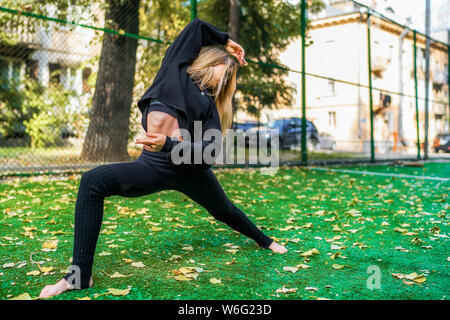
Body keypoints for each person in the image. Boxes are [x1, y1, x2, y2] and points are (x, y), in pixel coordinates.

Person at [39, 17, 287, 299]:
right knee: (91, 182)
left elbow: (208, 154)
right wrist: (226, 40)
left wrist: (168, 144)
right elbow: (195, 28)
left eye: (231, 76)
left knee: (224, 210)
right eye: (225, 69)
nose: (226, 77)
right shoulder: (175, 69)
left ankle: (265, 241)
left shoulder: (209, 108)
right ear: (210, 60)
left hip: (188, 169)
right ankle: (78, 276)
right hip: (152, 166)